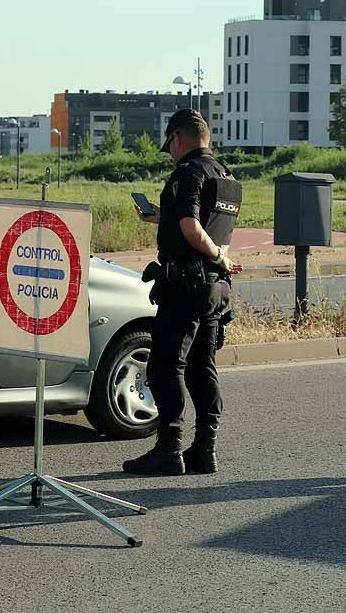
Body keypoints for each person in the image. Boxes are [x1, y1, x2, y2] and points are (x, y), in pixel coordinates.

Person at [122, 109, 243, 476]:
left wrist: (217, 254)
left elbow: (191, 228)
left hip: (186, 287)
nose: (171, 152)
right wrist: (163, 215)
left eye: (170, 145)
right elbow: (203, 221)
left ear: (177, 138)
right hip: (214, 289)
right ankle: (205, 450)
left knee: (163, 367)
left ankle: (169, 450)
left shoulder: (188, 172)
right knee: (201, 368)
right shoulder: (226, 177)